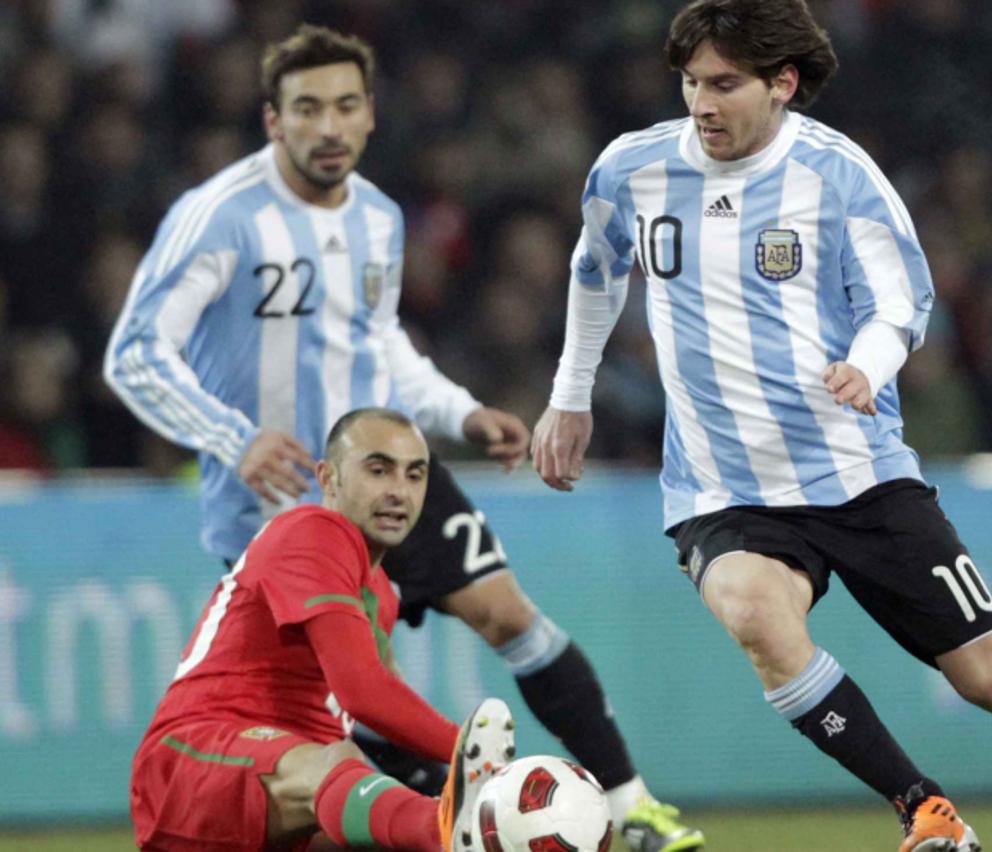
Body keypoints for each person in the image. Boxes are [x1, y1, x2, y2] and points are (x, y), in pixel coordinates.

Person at [530, 2, 992, 851]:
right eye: (692, 82)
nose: (702, 103)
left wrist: (868, 366)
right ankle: (924, 810)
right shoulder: (634, 169)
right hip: (721, 485)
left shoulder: (837, 175)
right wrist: (570, 392)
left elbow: (901, 301)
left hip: (857, 471)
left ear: (782, 83)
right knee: (754, 616)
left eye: (725, 84)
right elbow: (596, 269)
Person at [105, 24, 702, 852]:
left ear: (370, 117)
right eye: (307, 108)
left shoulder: (378, 219)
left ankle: (631, 806)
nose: (328, 126)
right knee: (342, 718)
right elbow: (134, 352)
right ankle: (463, 816)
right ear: (273, 120)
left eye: (345, 105)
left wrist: (458, 413)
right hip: (285, 506)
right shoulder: (220, 219)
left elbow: (378, 346)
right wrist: (230, 435)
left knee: (509, 616)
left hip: (396, 474)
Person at [130, 407, 515, 851]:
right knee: (345, 767)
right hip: (197, 760)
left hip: (276, 789)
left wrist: (456, 777)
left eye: (415, 475)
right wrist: (469, 749)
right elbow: (364, 693)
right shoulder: (313, 533)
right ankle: (452, 832)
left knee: (380, 826)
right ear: (328, 478)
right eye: (378, 470)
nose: (398, 492)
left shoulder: (379, 592)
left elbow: (387, 702)